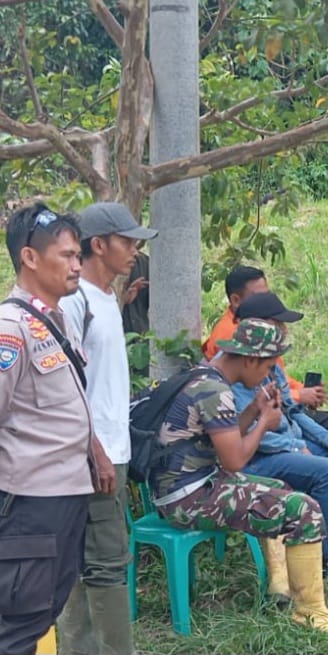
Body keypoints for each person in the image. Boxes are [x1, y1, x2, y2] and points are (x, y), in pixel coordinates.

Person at [150, 317, 328, 632]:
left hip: (183, 487)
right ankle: (310, 612)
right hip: (189, 498)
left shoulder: (205, 376)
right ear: (250, 359)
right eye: (268, 365)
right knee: (305, 509)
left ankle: (280, 585)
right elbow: (234, 461)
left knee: (280, 489)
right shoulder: (213, 391)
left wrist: (255, 410)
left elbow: (224, 439)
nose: (269, 373)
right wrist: (264, 425)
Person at [0, 204, 114, 654]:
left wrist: (97, 451)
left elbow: (68, 400)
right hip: (31, 503)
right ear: (30, 258)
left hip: (66, 494)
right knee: (18, 623)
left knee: (44, 609)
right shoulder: (10, 330)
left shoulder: (58, 318)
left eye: (77, 255)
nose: (76, 264)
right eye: (65, 255)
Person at [231, 291, 328, 591]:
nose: (285, 331)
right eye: (280, 324)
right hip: (260, 456)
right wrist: (293, 447)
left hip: (290, 444)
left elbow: (294, 411)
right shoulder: (235, 373)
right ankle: (322, 559)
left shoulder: (270, 364)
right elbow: (245, 436)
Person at [56, 202, 157, 655]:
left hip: (108, 452)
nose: (135, 249)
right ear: (98, 245)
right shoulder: (76, 303)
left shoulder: (105, 298)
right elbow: (66, 387)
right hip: (95, 456)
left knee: (82, 567)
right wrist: (96, 450)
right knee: (108, 565)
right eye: (128, 241)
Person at [202, 265, 328, 437]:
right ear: (235, 300)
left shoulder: (260, 337)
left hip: (280, 413)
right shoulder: (236, 338)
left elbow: (278, 378)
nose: (284, 330)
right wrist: (299, 397)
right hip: (268, 421)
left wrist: (307, 392)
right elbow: (256, 396)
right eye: (259, 296)